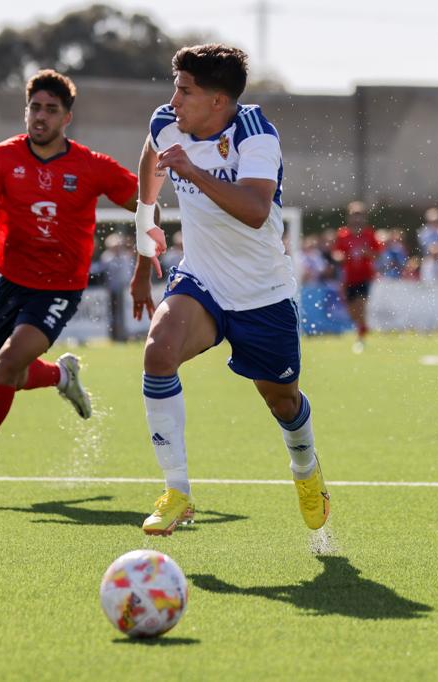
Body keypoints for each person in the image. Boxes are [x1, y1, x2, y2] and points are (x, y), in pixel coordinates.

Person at [130, 44, 329, 537]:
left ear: (219, 101)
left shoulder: (255, 135)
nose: (173, 99)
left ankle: (306, 469)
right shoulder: (166, 120)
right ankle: (177, 491)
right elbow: (151, 158)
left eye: (185, 90)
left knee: (282, 402)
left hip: (263, 292)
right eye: (175, 86)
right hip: (202, 280)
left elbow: (256, 209)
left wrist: (193, 171)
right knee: (158, 352)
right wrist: (143, 239)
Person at [0, 69, 140, 499]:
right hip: (12, 282)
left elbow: (144, 203)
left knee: (3, 367)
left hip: (60, 287)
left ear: (67, 118)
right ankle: (61, 376)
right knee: (14, 376)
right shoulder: (3, 157)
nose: (40, 117)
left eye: (51, 110)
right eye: (35, 107)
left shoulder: (92, 167)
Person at [331, 201, 382, 352]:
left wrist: (368, 253)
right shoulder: (343, 234)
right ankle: (363, 327)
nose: (357, 219)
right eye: (354, 215)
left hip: (365, 276)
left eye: (359, 215)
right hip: (348, 278)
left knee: (361, 305)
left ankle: (361, 338)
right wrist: (339, 257)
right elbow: (336, 252)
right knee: (352, 311)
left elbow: (377, 254)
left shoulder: (369, 234)